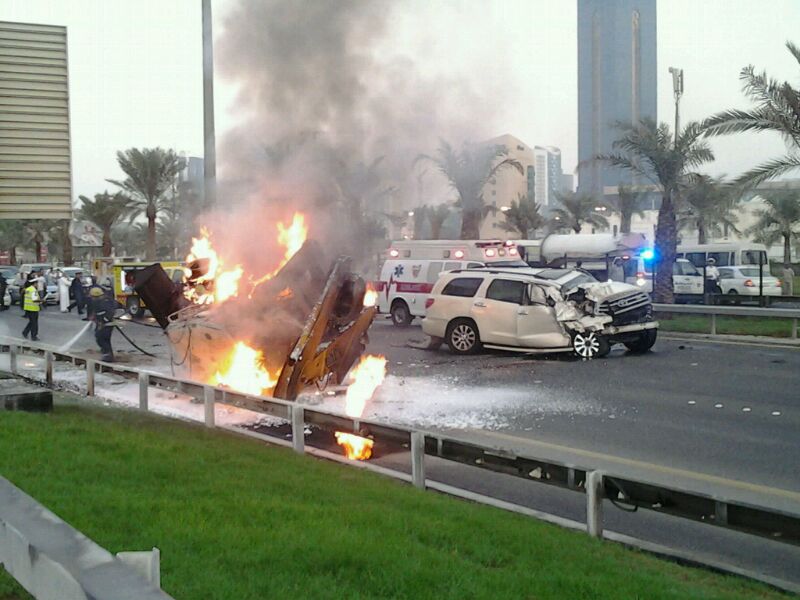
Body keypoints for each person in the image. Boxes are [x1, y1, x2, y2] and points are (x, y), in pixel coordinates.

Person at [89, 286, 116, 362]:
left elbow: (109, 313)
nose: (92, 298)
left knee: (101, 338)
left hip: (107, 324)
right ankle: (108, 354)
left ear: (96, 296)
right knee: (104, 339)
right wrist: (94, 316)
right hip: (102, 323)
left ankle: (107, 354)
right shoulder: (98, 302)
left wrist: (103, 322)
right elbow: (97, 312)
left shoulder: (105, 302)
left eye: (92, 297)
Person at [21, 276, 42, 341]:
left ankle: (25, 332)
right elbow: (35, 300)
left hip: (28, 308)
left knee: (31, 322)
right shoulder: (33, 290)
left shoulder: (28, 289)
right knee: (34, 323)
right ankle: (34, 336)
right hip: (33, 309)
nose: (37, 285)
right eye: (37, 283)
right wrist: (42, 301)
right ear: (34, 283)